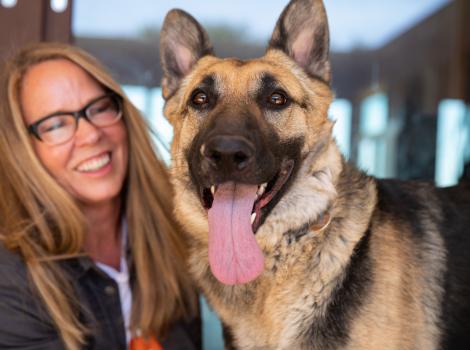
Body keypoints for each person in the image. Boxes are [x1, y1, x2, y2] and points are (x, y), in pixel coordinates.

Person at [0, 42, 201, 350]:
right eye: (55, 124)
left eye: (99, 108)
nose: (91, 134)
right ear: (24, 153)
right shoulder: (11, 278)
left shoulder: (172, 230)